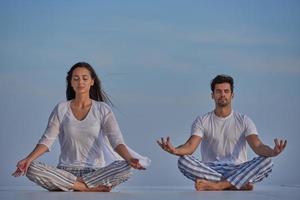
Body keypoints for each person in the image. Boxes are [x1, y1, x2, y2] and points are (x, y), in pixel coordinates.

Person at [12, 62, 150, 192]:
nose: (80, 82)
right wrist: (28, 159)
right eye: (76, 78)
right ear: (71, 82)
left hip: (95, 173)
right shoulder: (61, 108)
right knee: (31, 167)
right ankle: (84, 187)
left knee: (126, 167)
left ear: (92, 81)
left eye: (85, 78)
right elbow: (47, 140)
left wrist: (129, 159)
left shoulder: (102, 109)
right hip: (65, 171)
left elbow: (116, 141)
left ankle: (73, 185)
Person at [157, 74, 287, 191]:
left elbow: (258, 146)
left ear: (232, 95)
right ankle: (236, 184)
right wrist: (174, 150)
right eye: (218, 91)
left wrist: (272, 152)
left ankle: (217, 185)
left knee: (268, 161)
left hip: (238, 169)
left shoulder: (244, 120)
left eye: (226, 91)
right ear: (212, 95)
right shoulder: (202, 120)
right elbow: (190, 146)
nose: (222, 94)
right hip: (210, 169)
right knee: (183, 161)